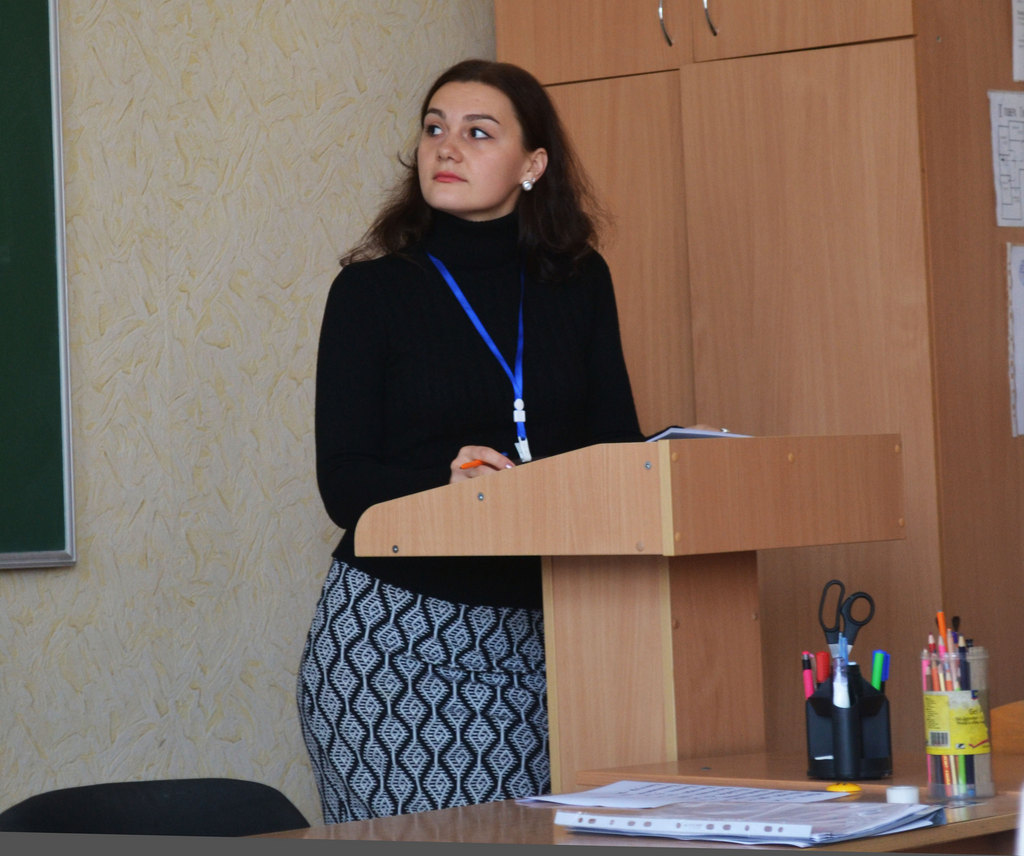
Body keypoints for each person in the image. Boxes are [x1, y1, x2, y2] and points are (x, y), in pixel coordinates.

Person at [296, 57, 643, 825]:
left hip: (554, 639)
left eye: (478, 133)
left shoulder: (579, 281)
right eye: (434, 129)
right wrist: (442, 480)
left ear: (533, 164)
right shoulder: (370, 291)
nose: (446, 147)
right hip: (397, 645)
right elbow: (343, 483)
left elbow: (616, 448)